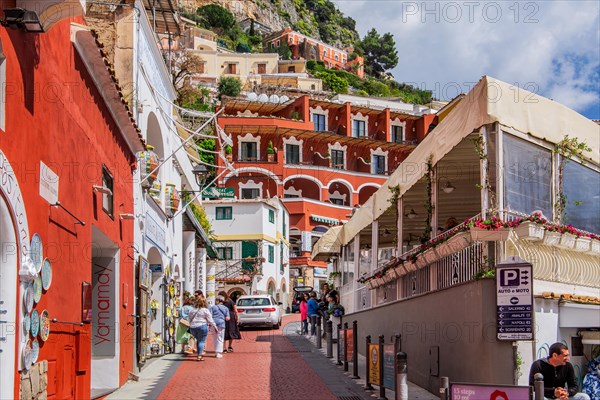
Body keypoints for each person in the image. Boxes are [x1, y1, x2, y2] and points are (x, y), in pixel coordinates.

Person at [188, 297, 216, 361]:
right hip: (202, 326)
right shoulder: (205, 310)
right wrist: (214, 326)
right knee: (201, 341)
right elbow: (210, 319)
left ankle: (199, 353)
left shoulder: (192, 310)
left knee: (198, 340)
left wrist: (190, 324)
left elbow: (189, 318)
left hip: (193, 327)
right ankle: (199, 355)